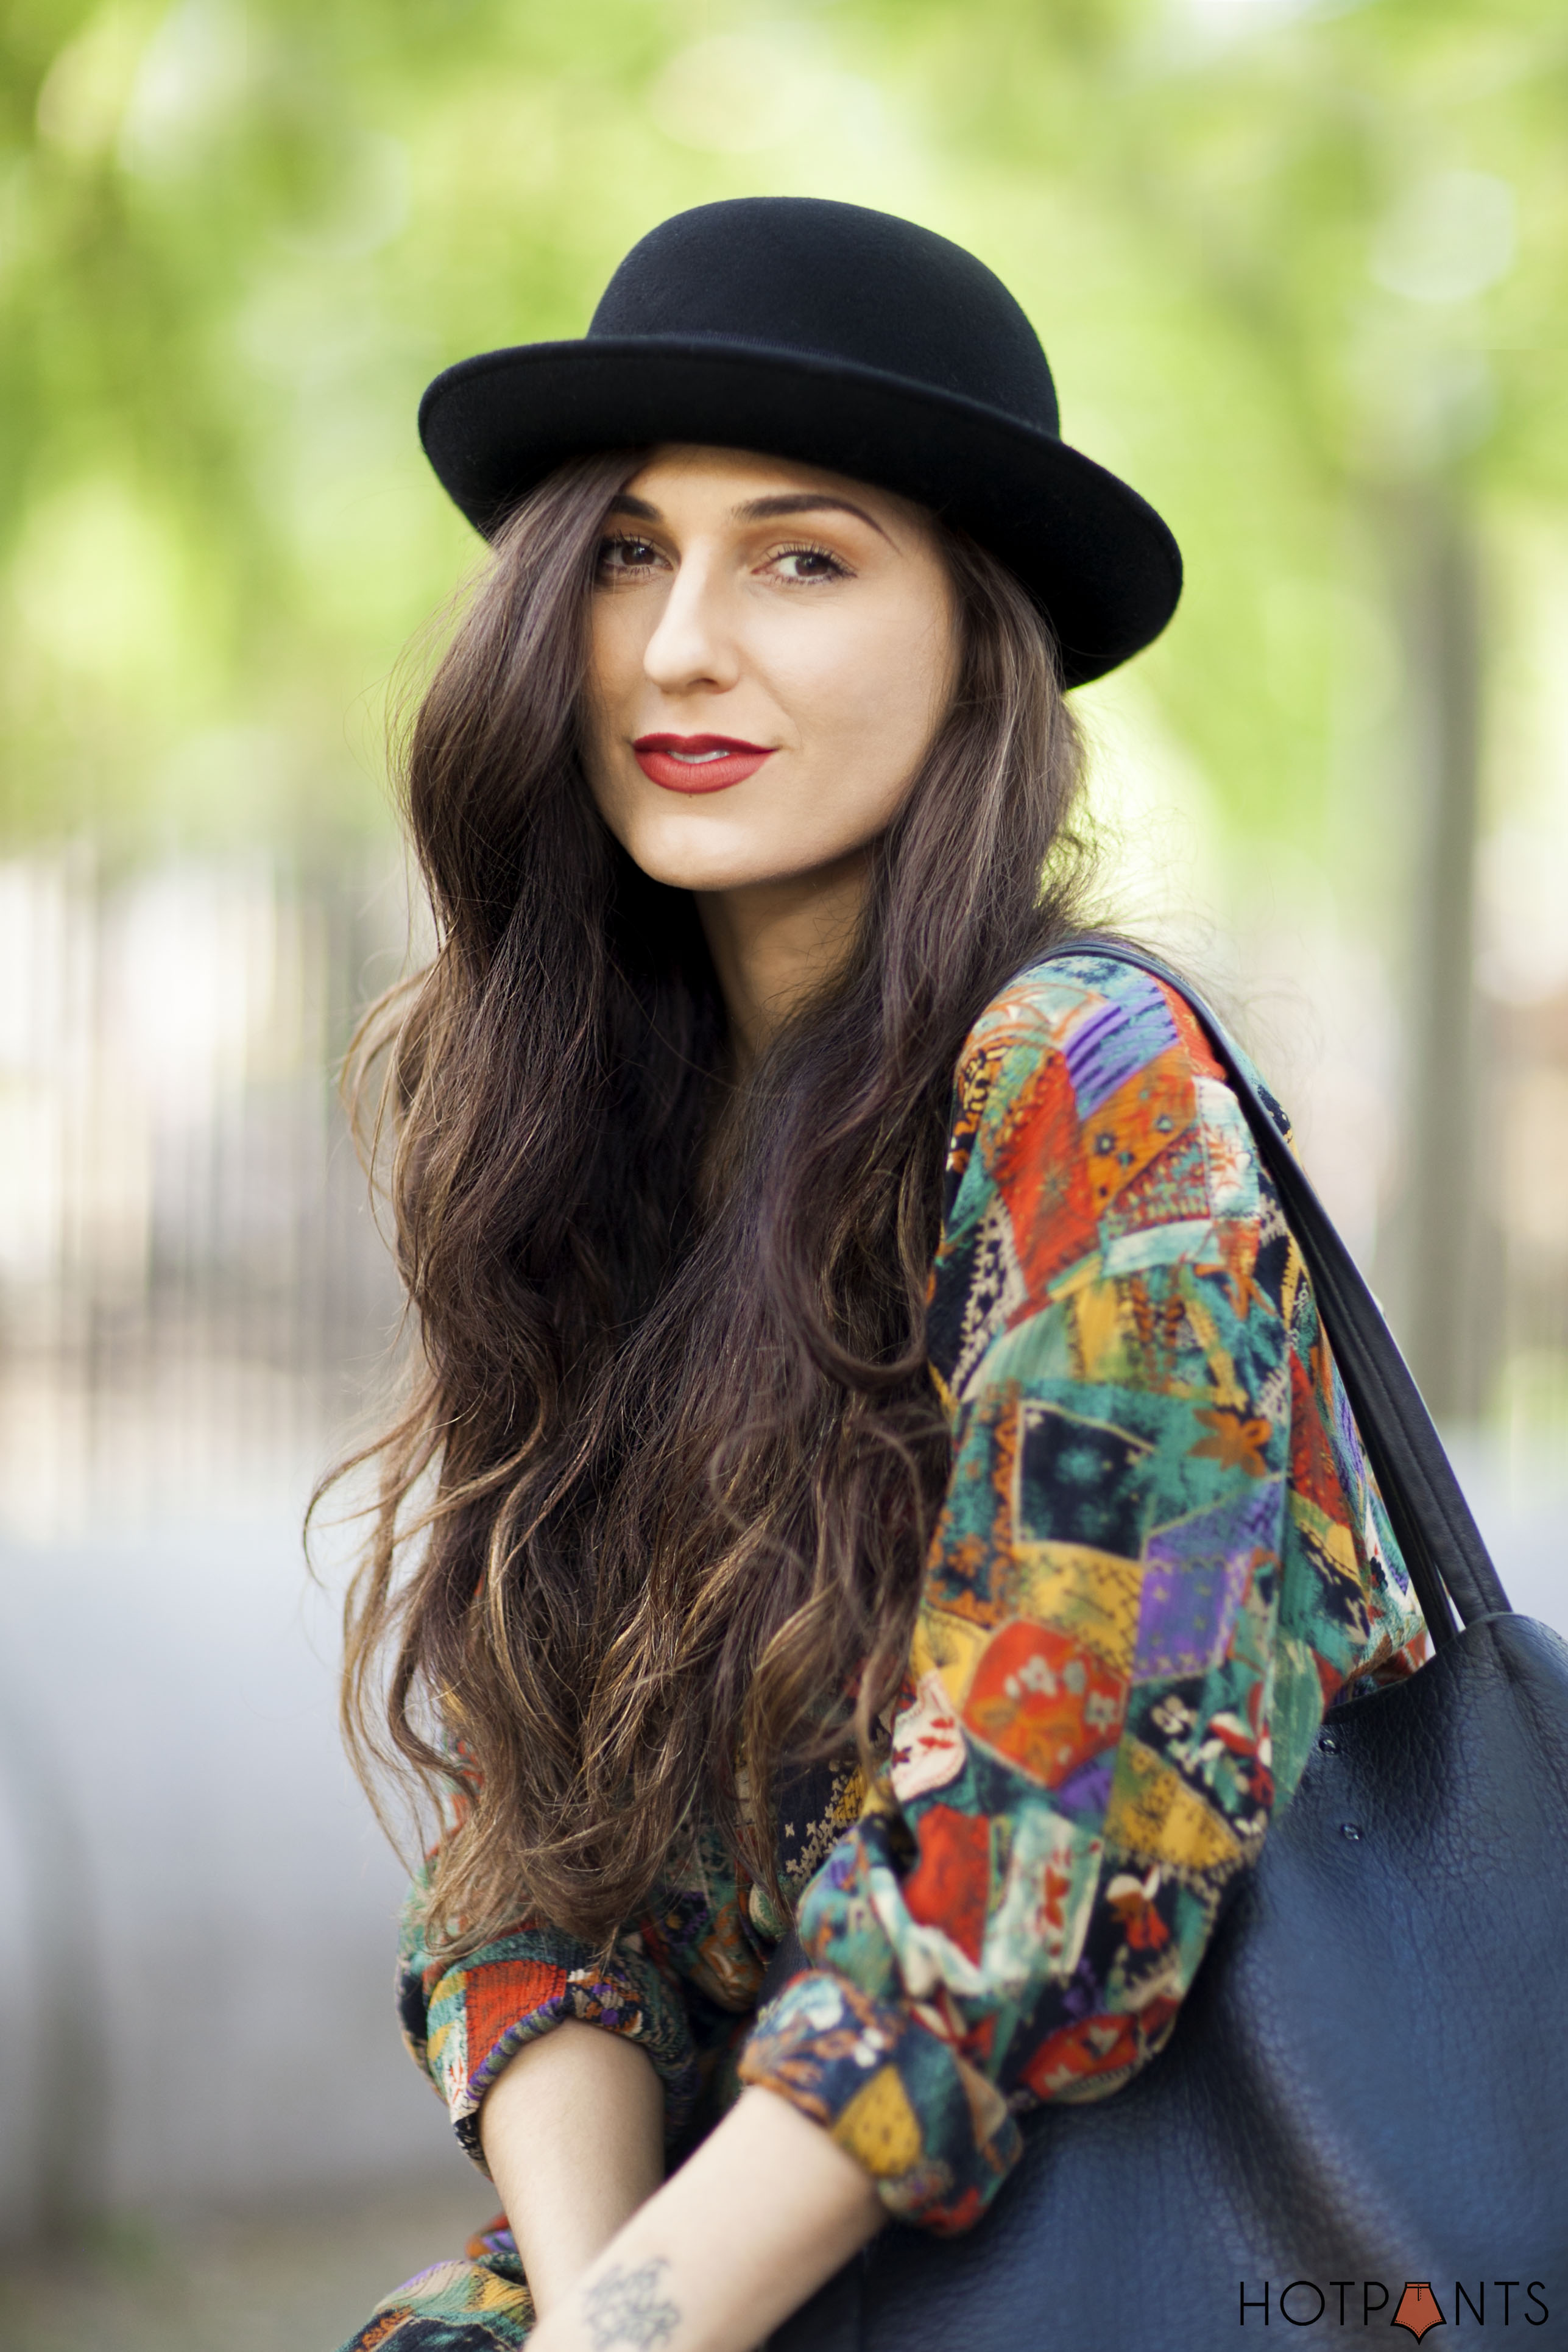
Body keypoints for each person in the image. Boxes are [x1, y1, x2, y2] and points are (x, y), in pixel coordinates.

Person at [335, 199, 1425, 2352]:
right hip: (717, 2245)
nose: (676, 647)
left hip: (1115, 2229)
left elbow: (1049, 1836)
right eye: (630, 551)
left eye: (804, 559)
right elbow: (526, 1874)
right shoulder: (579, 1125)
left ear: (973, 639)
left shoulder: (1086, 1087)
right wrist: (591, 2305)